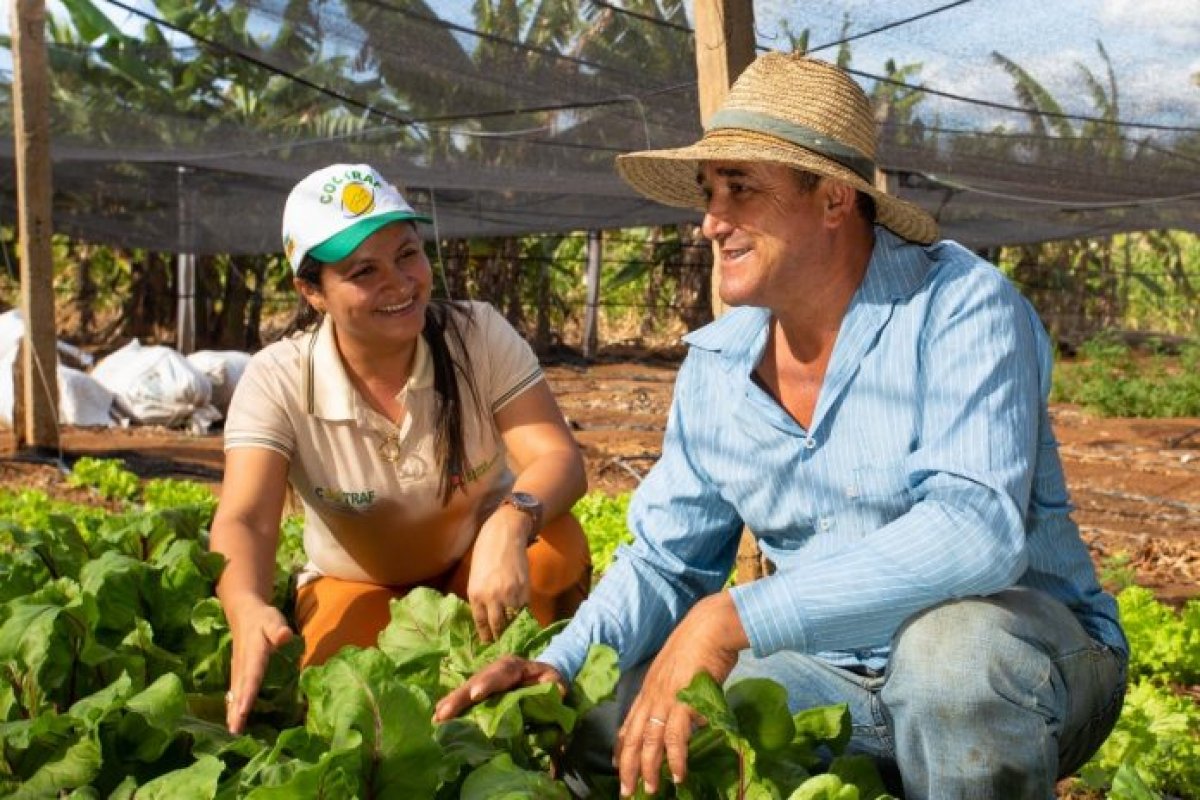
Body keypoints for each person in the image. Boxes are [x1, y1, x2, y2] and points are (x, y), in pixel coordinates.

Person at [434, 54, 1128, 798]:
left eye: (740, 190)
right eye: (709, 193)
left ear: (833, 199)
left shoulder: (960, 306)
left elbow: (973, 531)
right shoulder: (720, 365)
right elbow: (669, 561)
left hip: (1027, 658)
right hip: (830, 672)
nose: (710, 222)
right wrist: (562, 667)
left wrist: (735, 614)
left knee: (949, 662)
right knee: (616, 723)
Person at [211, 163, 591, 735]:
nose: (400, 283)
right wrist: (244, 605)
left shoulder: (476, 335)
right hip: (358, 582)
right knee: (353, 700)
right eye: (364, 270)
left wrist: (510, 522)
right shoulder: (279, 379)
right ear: (311, 291)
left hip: (474, 566)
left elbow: (557, 457)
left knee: (552, 552)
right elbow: (246, 518)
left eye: (408, 254)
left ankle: (549, 707)